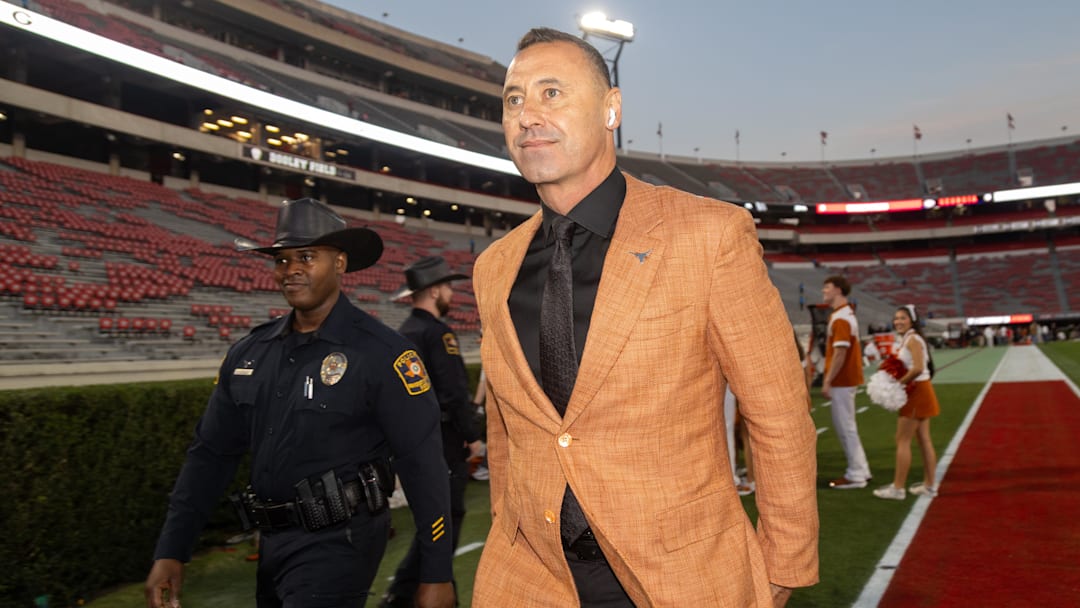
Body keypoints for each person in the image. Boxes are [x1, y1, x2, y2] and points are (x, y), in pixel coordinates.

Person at [470, 27, 818, 607]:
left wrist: (782, 565)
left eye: (551, 93)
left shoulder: (709, 235)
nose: (527, 114)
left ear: (612, 109)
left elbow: (778, 414)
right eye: (513, 98)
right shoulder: (494, 267)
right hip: (532, 581)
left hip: (679, 578)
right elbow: (507, 433)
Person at [144, 198, 455, 608]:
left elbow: (423, 464)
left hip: (340, 541)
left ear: (340, 263)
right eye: (282, 260)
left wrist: (435, 573)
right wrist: (172, 548)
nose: (290, 270)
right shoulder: (250, 353)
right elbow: (210, 456)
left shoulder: (383, 353)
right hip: (271, 541)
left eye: (306, 257)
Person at [380, 256, 484, 607]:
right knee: (447, 517)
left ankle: (421, 591)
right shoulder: (438, 334)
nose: (452, 294)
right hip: (444, 440)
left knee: (433, 519)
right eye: (449, 287)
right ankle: (409, 592)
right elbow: (454, 391)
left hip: (412, 439)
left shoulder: (403, 332)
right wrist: (473, 435)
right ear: (436, 290)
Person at [874, 305, 940, 500]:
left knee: (902, 440)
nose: (898, 321)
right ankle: (929, 486)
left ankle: (898, 488)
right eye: (896, 318)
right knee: (923, 440)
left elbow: (919, 367)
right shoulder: (910, 338)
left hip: (916, 391)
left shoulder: (912, 339)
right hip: (921, 389)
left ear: (912, 320)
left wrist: (897, 384)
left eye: (903, 318)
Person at [821, 275, 872, 489]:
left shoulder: (841, 318)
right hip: (846, 379)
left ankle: (856, 474)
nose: (824, 291)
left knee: (845, 427)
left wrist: (827, 380)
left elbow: (840, 353)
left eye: (827, 288)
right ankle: (860, 469)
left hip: (842, 379)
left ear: (839, 290)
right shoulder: (842, 315)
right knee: (847, 426)